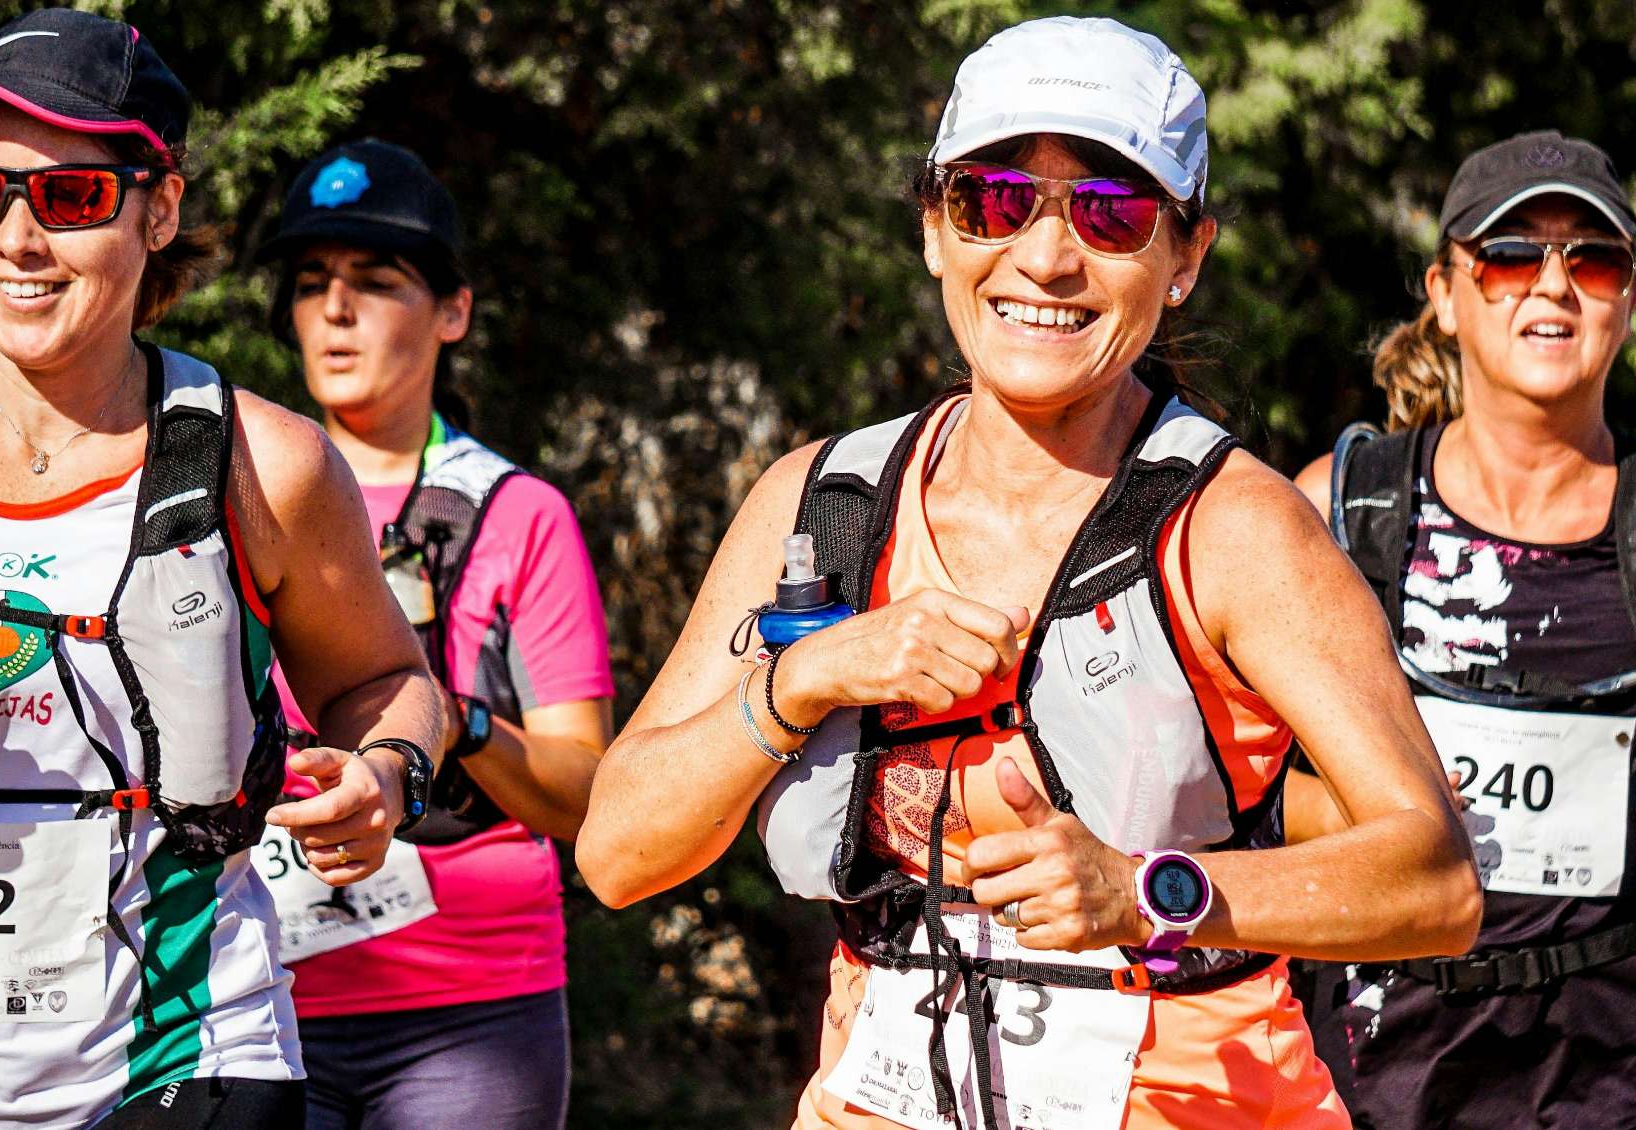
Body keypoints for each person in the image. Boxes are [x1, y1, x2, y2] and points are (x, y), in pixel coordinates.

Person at [578, 17, 1480, 1130]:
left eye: (1112, 214)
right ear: (933, 230)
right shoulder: (822, 501)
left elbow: (1437, 882)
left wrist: (1148, 890)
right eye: (995, 201)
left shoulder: (1240, 528)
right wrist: (801, 680)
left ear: (1185, 258)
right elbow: (617, 852)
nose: (1047, 257)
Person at [0, 11, 449, 1128]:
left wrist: (387, 769)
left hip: (181, 1056)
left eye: (69, 197)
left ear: (159, 208)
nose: (16, 238)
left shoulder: (266, 463)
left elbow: (386, 682)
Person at [1293, 130, 1636, 1130]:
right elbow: (1244, 789)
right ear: (1447, 294)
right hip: (1377, 1068)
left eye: (1591, 257)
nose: (1553, 285)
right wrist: (1385, 820)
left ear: (1627, 296)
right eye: (1508, 255)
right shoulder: (1342, 510)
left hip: (1634, 1071)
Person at [252, 139, 613, 1130]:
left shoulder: (519, 512)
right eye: (312, 281)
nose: (334, 308)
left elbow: (592, 798)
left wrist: (459, 723)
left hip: (473, 1005)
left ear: (453, 311)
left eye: (375, 281)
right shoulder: (238, 489)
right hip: (259, 989)